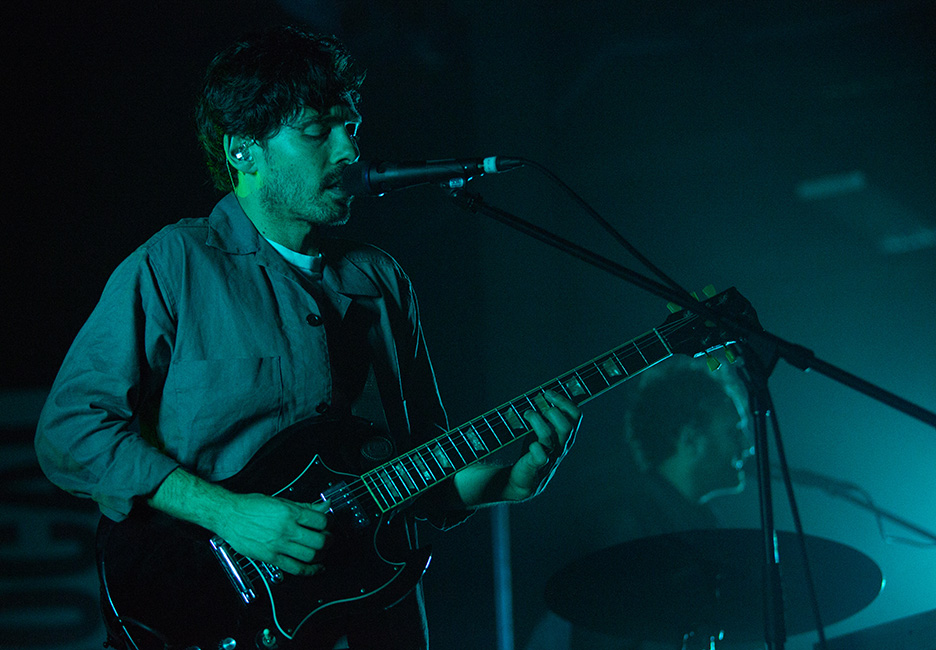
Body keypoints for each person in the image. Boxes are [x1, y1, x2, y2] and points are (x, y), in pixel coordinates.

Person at [34, 25, 580, 650]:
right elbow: (70, 432)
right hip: (210, 610)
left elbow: (414, 469)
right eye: (318, 130)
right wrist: (228, 513)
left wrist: (505, 483)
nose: (349, 149)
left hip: (373, 614)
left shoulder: (380, 279)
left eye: (352, 126)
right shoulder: (176, 264)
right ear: (243, 151)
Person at [524, 355, 753, 650]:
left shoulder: (703, 521)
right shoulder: (623, 523)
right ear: (691, 438)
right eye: (733, 432)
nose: (747, 447)